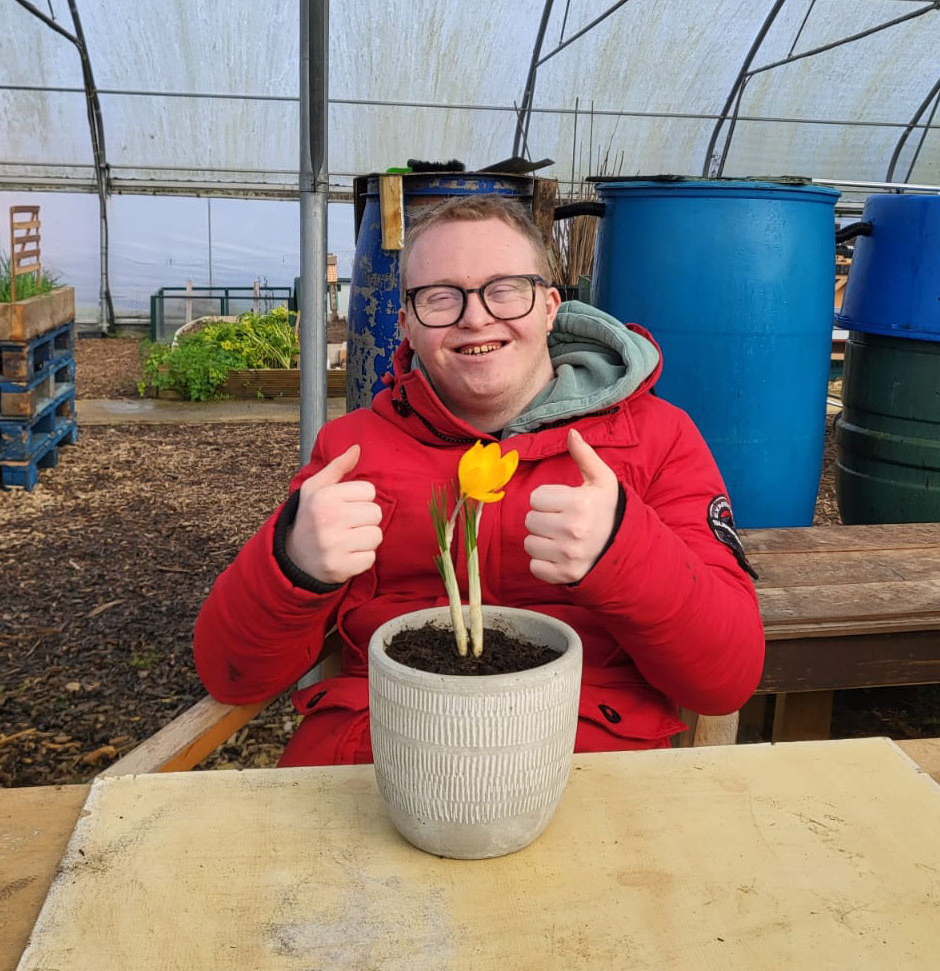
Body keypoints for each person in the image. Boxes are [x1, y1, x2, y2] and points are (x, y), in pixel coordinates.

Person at [194, 193, 764, 765]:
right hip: (376, 753)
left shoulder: (657, 438)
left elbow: (725, 680)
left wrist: (623, 551)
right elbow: (231, 674)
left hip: (586, 756)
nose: (475, 316)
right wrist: (293, 564)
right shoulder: (350, 450)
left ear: (549, 307)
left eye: (506, 289)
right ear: (407, 326)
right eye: (440, 297)